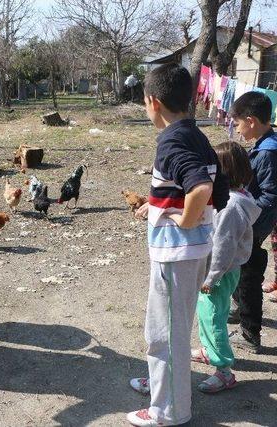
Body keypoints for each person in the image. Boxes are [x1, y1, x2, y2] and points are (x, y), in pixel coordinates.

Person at [128, 63, 229, 427]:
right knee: (173, 327)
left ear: (153, 102)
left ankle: (168, 410)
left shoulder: (171, 140)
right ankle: (163, 386)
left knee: (163, 334)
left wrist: (181, 219)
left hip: (176, 254)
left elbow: (200, 188)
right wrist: (157, 207)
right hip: (194, 250)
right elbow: (220, 190)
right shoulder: (196, 135)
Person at [190, 142, 259, 393]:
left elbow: (223, 247)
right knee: (209, 312)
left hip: (219, 272)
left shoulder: (230, 206)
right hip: (223, 271)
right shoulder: (239, 198)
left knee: (213, 317)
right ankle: (209, 350)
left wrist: (211, 278)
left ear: (223, 171)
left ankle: (224, 371)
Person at [228, 91, 277, 353]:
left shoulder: (269, 153)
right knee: (238, 270)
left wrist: (247, 222)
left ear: (251, 120)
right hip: (250, 225)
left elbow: (270, 195)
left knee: (248, 278)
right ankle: (238, 308)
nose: (236, 129)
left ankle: (249, 333)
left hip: (253, 227)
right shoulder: (264, 145)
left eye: (237, 124)